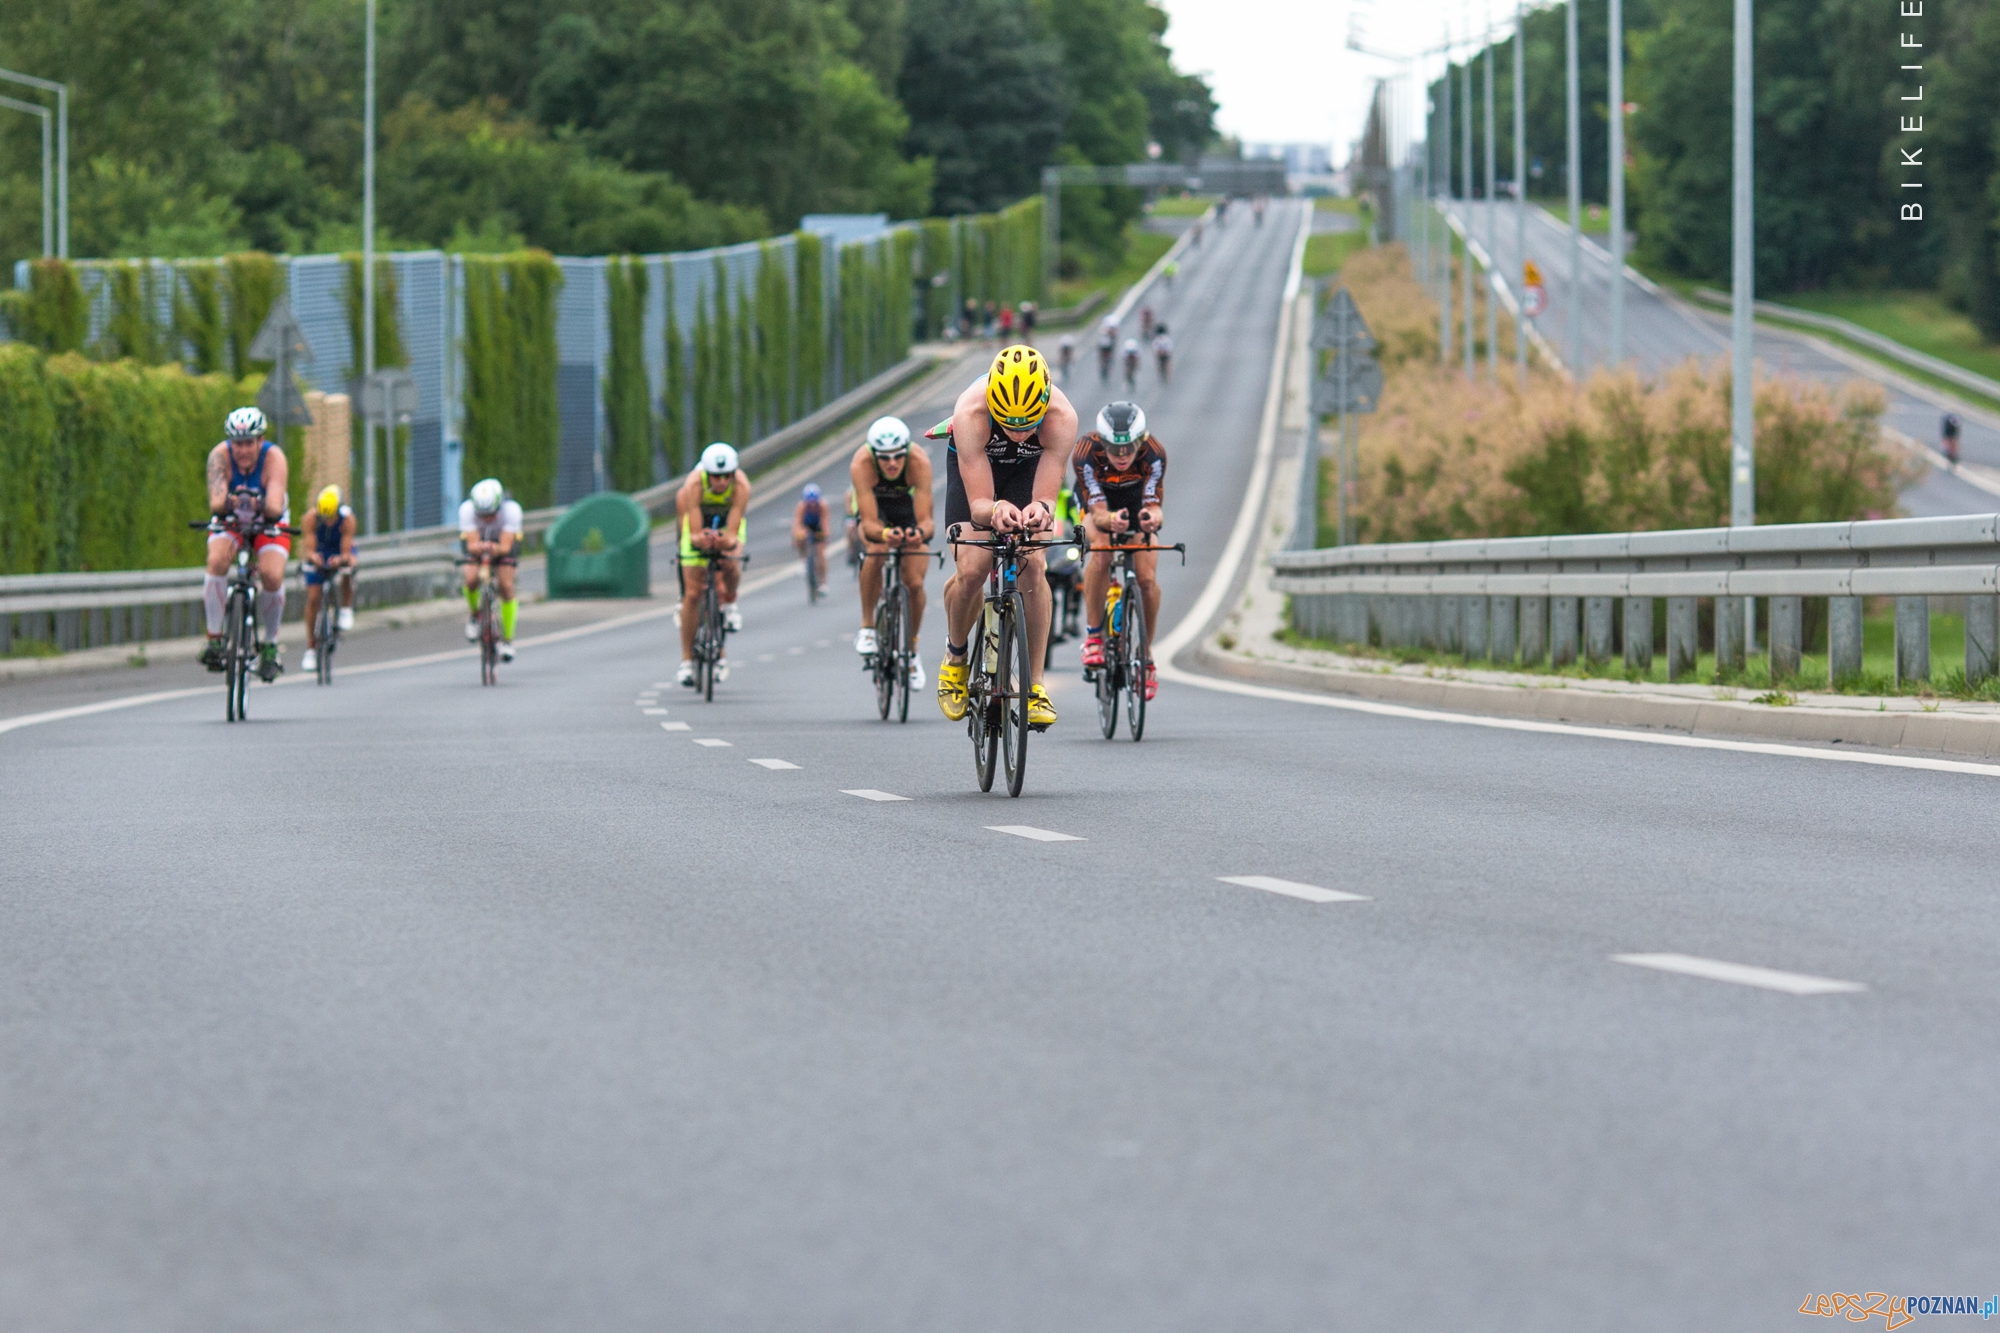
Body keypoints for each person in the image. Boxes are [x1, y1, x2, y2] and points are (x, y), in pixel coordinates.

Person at [936, 344, 1079, 729]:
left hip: (1027, 473)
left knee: (1033, 564)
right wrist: (997, 510)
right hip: (978, 469)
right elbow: (980, 502)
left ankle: (1034, 686)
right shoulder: (971, 413)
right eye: (1009, 423)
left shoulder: (1062, 418)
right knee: (973, 566)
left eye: (1028, 424)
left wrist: (1040, 511)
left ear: (1046, 403)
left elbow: (1046, 498)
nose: (1018, 433)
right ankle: (955, 658)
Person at [1075, 401, 1167, 701]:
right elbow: (1097, 511)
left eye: (1129, 447)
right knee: (1101, 552)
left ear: (1140, 440)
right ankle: (1093, 637)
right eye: (1115, 449)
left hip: (1135, 500)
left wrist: (1152, 519)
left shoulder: (1154, 452)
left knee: (1146, 580)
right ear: (1102, 442)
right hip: (1097, 505)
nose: (1123, 455)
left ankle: (1146, 656)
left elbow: (1154, 506)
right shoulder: (1086, 451)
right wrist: (1110, 521)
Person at [200, 406, 291, 681]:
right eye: (237, 444)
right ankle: (215, 639)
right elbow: (217, 503)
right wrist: (237, 504)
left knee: (271, 574)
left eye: (248, 443)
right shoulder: (219, 456)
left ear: (260, 441)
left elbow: (274, 506)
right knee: (216, 561)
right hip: (232, 520)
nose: (242, 451)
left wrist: (254, 504)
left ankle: (271, 645)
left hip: (268, 522)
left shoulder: (274, 458)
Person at [850, 415, 934, 692]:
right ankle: (867, 627)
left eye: (898, 456)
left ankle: (911, 651)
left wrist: (916, 534)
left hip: (908, 511)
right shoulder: (861, 464)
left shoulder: (919, 462)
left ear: (907, 451)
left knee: (915, 582)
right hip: (878, 513)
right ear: (874, 456)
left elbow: (927, 522)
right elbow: (870, 523)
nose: (892, 463)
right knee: (876, 550)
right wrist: (887, 535)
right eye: (884, 458)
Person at [676, 442, 750, 686]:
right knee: (693, 594)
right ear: (707, 474)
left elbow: (732, 533)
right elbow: (693, 532)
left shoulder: (742, 486)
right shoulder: (693, 485)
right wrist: (701, 540)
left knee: (731, 560)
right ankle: (686, 661)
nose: (721, 482)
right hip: (699, 526)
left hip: (725, 525)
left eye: (727, 476)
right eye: (716, 476)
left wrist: (725, 542)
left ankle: (730, 602)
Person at [459, 477, 522, 661]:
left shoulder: (512, 511)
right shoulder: (467, 510)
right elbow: (471, 545)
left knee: (506, 586)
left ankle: (508, 640)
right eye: (482, 516)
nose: (487, 519)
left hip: (503, 545)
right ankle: (474, 616)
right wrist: (482, 550)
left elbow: (505, 546)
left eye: (491, 515)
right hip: (478, 544)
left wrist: (493, 550)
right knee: (471, 579)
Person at [299, 485, 356, 674]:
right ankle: (310, 648)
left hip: (339, 550)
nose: (329, 522)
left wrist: (341, 560)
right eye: (325, 518)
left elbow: (346, 551)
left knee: (349, 568)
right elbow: (309, 548)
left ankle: (346, 607)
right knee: (313, 598)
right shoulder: (310, 519)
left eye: (331, 518)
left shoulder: (347, 520)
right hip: (321, 550)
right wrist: (313, 557)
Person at [792, 482, 830, 590]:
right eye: (810, 504)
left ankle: (823, 583)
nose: (812, 506)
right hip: (806, 526)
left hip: (818, 526)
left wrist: (825, 537)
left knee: (821, 554)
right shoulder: (801, 507)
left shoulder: (823, 505)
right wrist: (797, 536)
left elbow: (825, 523)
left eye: (814, 503)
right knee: (800, 537)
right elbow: (797, 525)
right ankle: (803, 559)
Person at [1096, 316, 1118, 382]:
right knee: (1102, 359)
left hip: (1108, 346)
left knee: (1109, 358)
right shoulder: (1104, 330)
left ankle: (1107, 366)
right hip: (1104, 345)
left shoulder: (1114, 330)